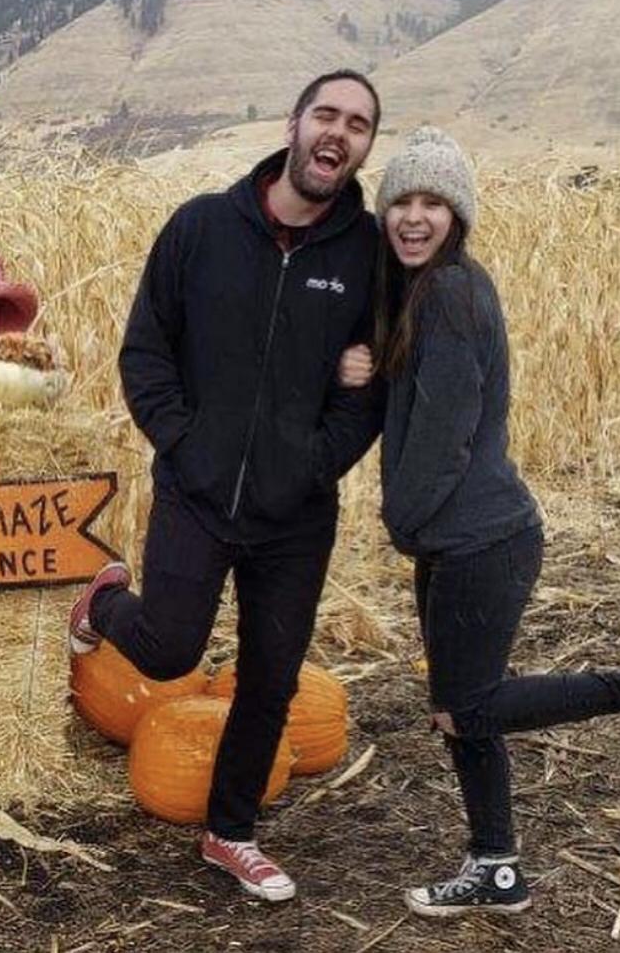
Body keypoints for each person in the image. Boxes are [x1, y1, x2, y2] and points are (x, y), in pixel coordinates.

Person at [340, 126, 620, 919]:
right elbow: (420, 401)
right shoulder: (432, 294)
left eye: (434, 204)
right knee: (464, 706)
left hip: (478, 540)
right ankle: (495, 867)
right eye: (401, 202)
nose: (414, 218)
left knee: (465, 708)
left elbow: (447, 433)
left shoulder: (450, 291)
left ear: (458, 215)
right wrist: (371, 370)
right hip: (465, 538)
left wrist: (399, 519)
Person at [68, 70, 384, 903]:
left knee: (272, 675)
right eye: (326, 113)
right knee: (170, 649)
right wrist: (186, 445)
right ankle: (100, 605)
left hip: (296, 514)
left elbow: (371, 387)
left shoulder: (368, 255)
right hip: (197, 495)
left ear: (364, 148)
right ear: (292, 124)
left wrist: (314, 465)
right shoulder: (201, 228)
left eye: (357, 125)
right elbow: (145, 352)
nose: (337, 133)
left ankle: (230, 833)